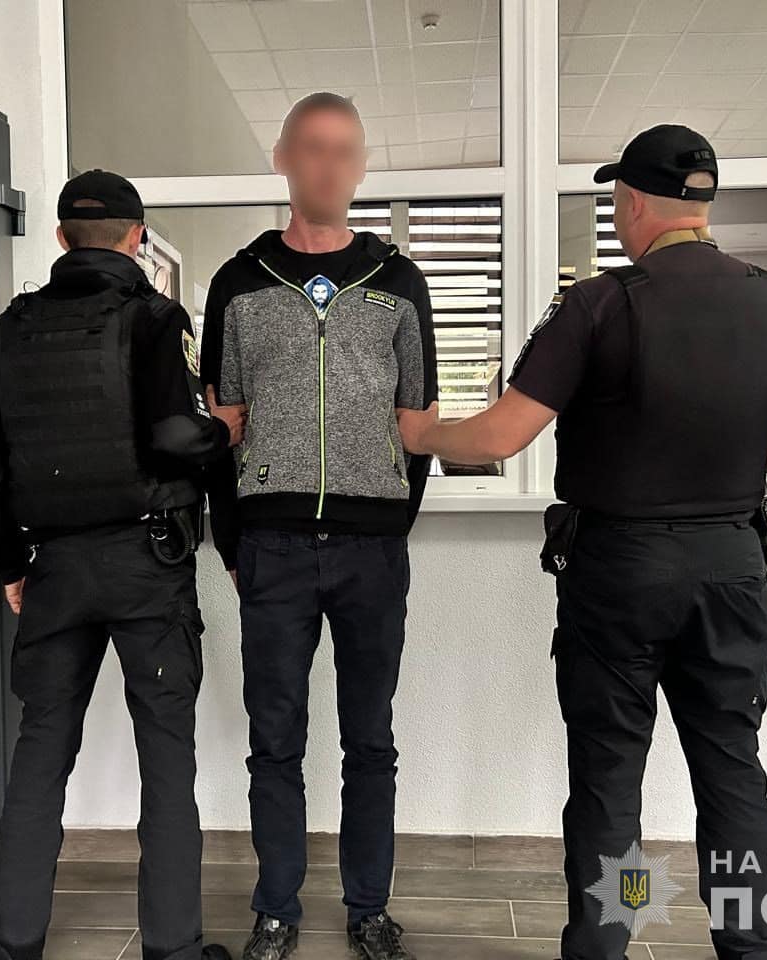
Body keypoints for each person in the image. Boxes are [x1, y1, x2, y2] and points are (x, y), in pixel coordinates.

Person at [397, 125, 767, 960]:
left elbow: (501, 437)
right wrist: (747, 452)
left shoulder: (598, 304)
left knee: (610, 780)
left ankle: (610, 937)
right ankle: (754, 948)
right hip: (731, 569)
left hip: (620, 574)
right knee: (732, 771)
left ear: (631, 202)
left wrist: (421, 434)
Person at [0, 169, 233, 960]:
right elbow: (176, 437)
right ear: (136, 237)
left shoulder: (6, 333)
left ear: (59, 237)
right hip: (147, 565)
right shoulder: (155, 318)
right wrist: (223, 431)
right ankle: (173, 949)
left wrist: (12, 564)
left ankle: (14, 947)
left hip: (53, 567)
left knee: (40, 753)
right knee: (166, 759)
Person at [199, 92, 437, 960]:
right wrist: (234, 540)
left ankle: (369, 908)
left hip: (372, 551)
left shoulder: (399, 283)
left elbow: (419, 423)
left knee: (370, 739)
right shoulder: (237, 283)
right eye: (311, 148)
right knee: (275, 741)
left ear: (362, 166)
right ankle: (277, 909)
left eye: (344, 151)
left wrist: (391, 520)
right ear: (283, 158)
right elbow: (221, 428)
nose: (327, 166)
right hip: (273, 548)